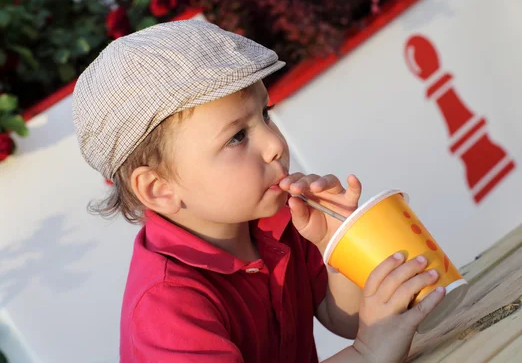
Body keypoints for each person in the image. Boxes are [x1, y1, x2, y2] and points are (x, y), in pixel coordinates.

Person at [72, 19, 445, 362]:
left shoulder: (280, 219)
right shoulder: (166, 304)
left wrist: (336, 246)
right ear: (158, 188)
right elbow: (364, 341)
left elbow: (343, 318)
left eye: (265, 113)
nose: (274, 145)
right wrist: (366, 353)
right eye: (237, 136)